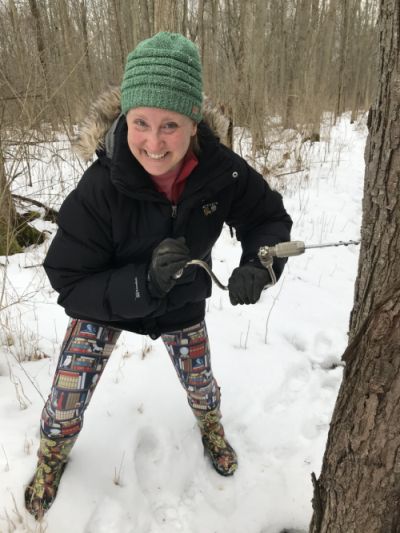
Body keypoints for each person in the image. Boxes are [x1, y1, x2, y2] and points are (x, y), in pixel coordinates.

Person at [24, 32, 292, 519]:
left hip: (183, 301)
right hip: (103, 306)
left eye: (170, 124)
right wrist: (141, 284)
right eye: (140, 122)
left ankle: (210, 426)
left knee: (201, 382)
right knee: (65, 397)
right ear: (125, 118)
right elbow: (67, 277)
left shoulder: (223, 172)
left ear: (194, 123)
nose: (152, 141)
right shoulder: (102, 185)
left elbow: (266, 220)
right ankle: (51, 457)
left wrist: (261, 263)